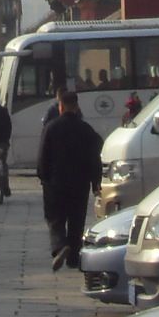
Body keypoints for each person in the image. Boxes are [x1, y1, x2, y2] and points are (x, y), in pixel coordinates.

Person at [36, 89, 104, 270]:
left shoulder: (51, 128)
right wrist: (96, 182)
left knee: (55, 218)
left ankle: (60, 246)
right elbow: (95, 157)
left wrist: (43, 176)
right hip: (80, 184)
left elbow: (43, 155)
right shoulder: (86, 129)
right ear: (76, 106)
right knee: (76, 220)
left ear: (60, 106)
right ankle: (73, 257)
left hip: (56, 183)